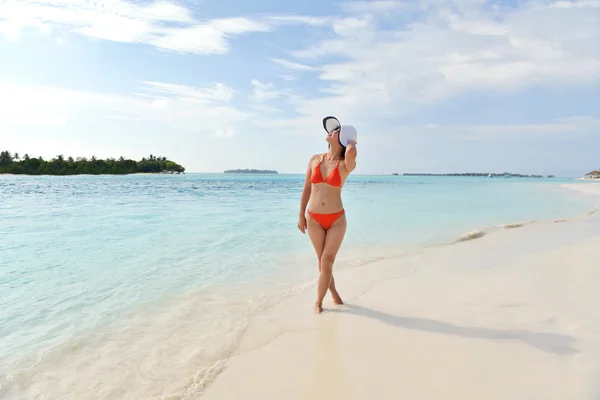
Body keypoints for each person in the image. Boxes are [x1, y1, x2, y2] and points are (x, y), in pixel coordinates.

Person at [297, 122, 357, 313]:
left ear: (342, 138)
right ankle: (334, 293)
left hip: (336, 220)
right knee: (321, 261)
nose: (330, 131)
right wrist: (301, 215)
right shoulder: (315, 159)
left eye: (336, 131)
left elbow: (351, 153)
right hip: (313, 218)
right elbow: (307, 188)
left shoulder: (345, 164)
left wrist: (351, 140)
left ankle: (318, 302)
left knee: (326, 261)